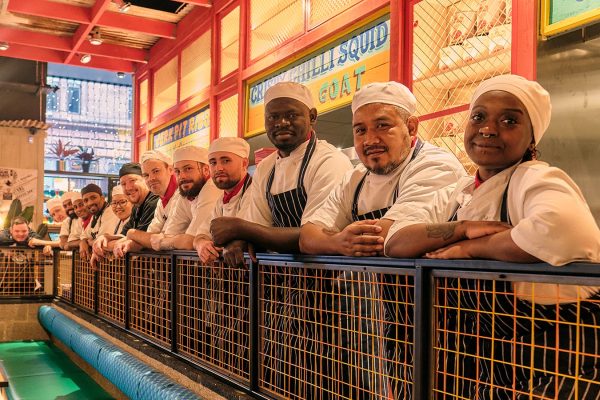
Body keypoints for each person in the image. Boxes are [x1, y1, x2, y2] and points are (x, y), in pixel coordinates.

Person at [386, 74, 600, 399]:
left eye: (509, 120)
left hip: (564, 357)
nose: (488, 128)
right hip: (495, 362)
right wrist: (461, 230)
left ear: (532, 138)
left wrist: (473, 250)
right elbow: (397, 241)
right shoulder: (459, 192)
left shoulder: (533, 177)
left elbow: (559, 229)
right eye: (479, 116)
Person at [300, 81, 466, 256]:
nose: (370, 140)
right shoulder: (354, 179)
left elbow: (395, 237)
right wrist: (337, 243)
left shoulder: (436, 165)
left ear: (411, 128)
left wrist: (333, 240)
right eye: (361, 130)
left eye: (382, 126)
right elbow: (307, 237)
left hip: (426, 283)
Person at [210, 81, 353, 266]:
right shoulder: (266, 168)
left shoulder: (329, 162)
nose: (281, 123)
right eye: (273, 117)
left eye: (292, 115)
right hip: (286, 278)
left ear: (312, 117)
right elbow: (258, 223)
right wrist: (238, 241)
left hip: (330, 279)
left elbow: (316, 238)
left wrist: (240, 228)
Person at [148, 145, 220, 251]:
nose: (182, 176)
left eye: (188, 169)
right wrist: (172, 240)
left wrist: (164, 242)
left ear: (205, 170)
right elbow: (170, 233)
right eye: (177, 171)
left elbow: (190, 241)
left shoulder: (212, 188)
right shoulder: (185, 193)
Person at [193, 137, 252, 264]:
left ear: (244, 163)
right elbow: (201, 233)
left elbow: (240, 234)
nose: (218, 168)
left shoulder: (254, 191)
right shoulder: (221, 201)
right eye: (213, 163)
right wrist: (201, 245)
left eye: (226, 161)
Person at [113, 150, 178, 257]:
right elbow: (151, 236)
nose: (151, 178)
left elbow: (166, 238)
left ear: (170, 170)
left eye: (156, 171)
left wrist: (132, 234)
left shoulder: (178, 195)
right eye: (146, 175)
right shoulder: (161, 201)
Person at [102, 163, 159, 253]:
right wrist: (104, 238)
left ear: (145, 180)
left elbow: (139, 242)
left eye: (132, 180)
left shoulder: (153, 202)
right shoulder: (136, 208)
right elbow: (124, 234)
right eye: (123, 184)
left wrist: (105, 245)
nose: (128, 187)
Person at [79, 183, 119, 260]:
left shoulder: (110, 211)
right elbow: (84, 236)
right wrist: (83, 242)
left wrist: (89, 242)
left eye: (93, 198)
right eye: (86, 200)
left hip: (116, 262)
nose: (90, 203)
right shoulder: (95, 216)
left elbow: (100, 241)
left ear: (102, 198)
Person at [91, 185, 133, 257]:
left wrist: (102, 245)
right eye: (114, 203)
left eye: (122, 202)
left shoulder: (136, 220)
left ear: (132, 202)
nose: (118, 207)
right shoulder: (116, 221)